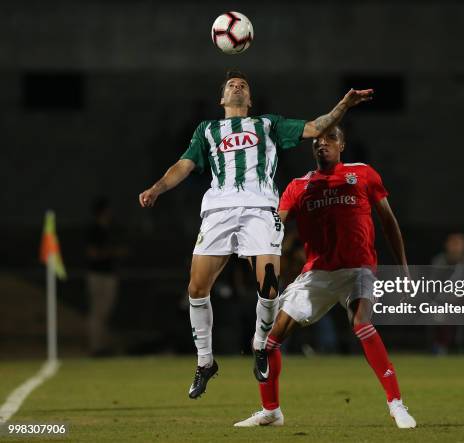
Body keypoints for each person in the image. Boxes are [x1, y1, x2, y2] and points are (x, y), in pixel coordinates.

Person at [138, 70, 373, 399]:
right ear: (222, 99)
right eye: (231, 85)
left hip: (261, 209)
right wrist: (157, 188)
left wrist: (343, 106)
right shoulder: (207, 130)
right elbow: (185, 164)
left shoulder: (269, 124)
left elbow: (316, 128)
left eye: (243, 86)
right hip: (218, 211)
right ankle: (205, 362)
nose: (237, 87)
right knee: (196, 287)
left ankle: (260, 346)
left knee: (269, 285)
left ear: (250, 100)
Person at [234, 126, 416, 429]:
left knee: (361, 321)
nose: (322, 144)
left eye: (330, 139)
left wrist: (404, 268)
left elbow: (389, 223)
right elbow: (275, 228)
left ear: (342, 144)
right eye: (317, 141)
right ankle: (271, 411)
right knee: (269, 339)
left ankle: (396, 404)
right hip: (317, 273)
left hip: (358, 267)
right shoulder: (299, 186)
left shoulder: (363, 174)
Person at [85, 197, 126, 356]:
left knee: (105, 311)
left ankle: (102, 346)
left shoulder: (110, 229)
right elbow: (92, 254)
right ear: (102, 211)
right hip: (97, 275)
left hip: (109, 274)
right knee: (97, 312)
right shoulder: (94, 230)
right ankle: (96, 347)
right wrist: (114, 252)